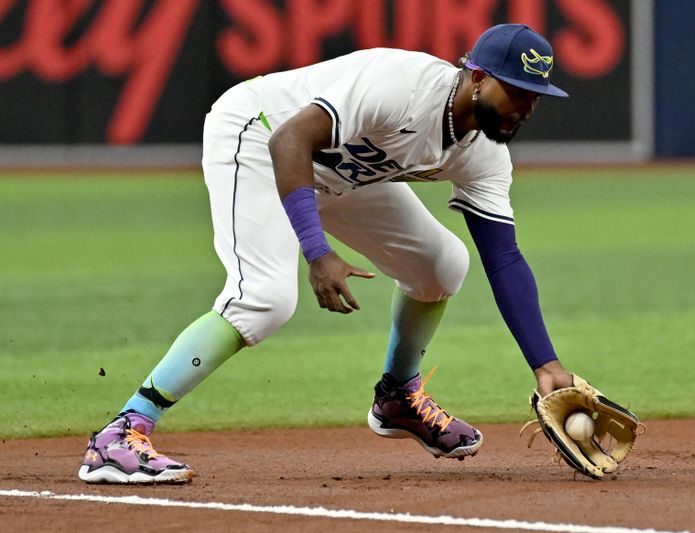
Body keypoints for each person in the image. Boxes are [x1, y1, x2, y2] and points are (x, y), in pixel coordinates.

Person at [78, 23, 576, 484]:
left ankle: (398, 397)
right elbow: (290, 139)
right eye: (516, 91)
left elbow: (504, 258)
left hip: (337, 172)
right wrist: (317, 252)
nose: (526, 106)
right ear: (477, 77)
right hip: (259, 134)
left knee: (443, 265)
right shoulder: (401, 85)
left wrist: (547, 368)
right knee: (265, 300)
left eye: (536, 96)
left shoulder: (485, 154)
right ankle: (120, 433)